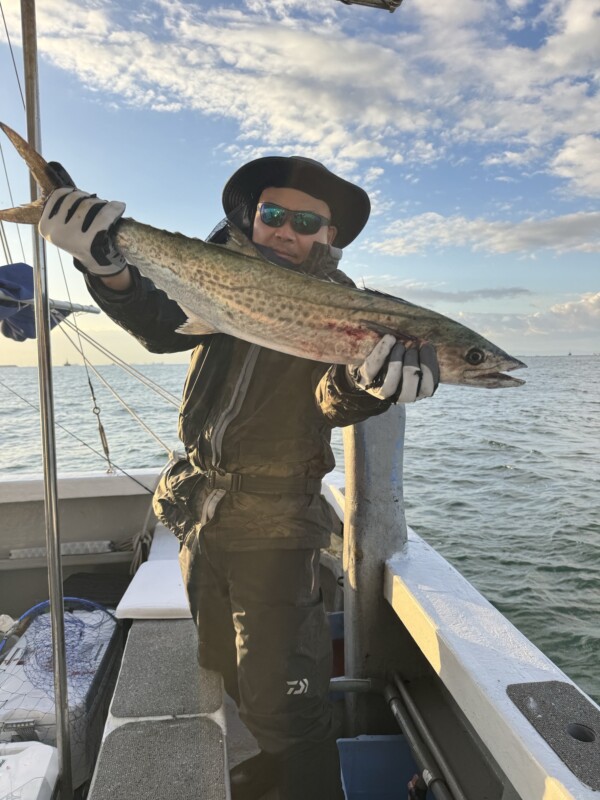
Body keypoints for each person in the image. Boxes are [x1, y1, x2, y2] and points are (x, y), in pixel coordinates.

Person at [39, 156, 439, 800]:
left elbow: (329, 397)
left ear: (328, 237)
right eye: (272, 214)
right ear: (250, 218)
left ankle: (302, 778)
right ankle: (267, 766)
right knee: (220, 664)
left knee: (289, 699)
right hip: (198, 512)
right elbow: (160, 324)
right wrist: (105, 263)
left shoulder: (351, 311)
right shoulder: (210, 271)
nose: (285, 230)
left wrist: (370, 384)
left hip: (276, 528)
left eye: (306, 221)